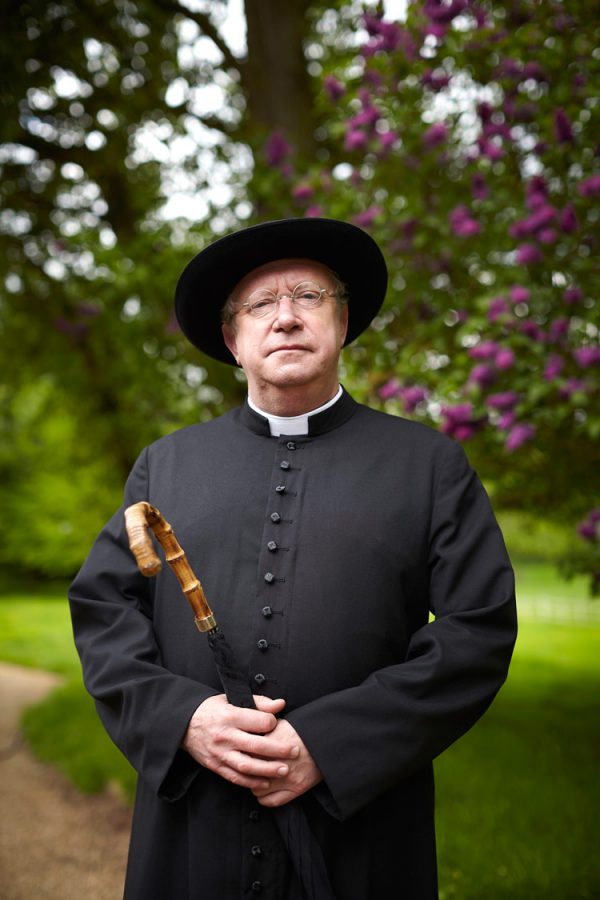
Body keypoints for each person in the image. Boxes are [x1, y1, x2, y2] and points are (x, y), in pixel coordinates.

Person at [69, 217, 517, 900]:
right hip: (196, 824)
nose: (285, 318)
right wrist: (181, 719)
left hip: (363, 825)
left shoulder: (429, 466)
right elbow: (105, 610)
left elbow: (477, 630)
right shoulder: (166, 467)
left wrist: (330, 746)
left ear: (342, 323)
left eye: (308, 297)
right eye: (260, 305)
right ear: (233, 340)